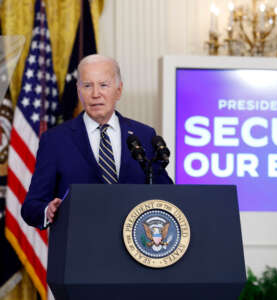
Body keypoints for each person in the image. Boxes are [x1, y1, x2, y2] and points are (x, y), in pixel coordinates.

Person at [21, 54, 173, 229]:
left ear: (118, 90)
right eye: (87, 86)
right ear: (79, 92)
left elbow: (166, 195)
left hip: (137, 247)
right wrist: (47, 209)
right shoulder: (55, 140)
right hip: (80, 248)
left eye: (103, 85)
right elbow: (31, 207)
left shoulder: (144, 135)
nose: (95, 94)